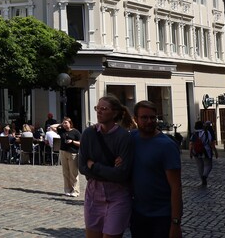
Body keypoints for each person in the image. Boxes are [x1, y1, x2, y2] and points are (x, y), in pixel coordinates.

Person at [79, 95, 134, 238]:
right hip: (93, 196)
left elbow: (121, 174)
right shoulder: (88, 134)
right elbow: (82, 167)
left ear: (114, 113)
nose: (99, 112)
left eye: (104, 109)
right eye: (98, 108)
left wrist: (94, 166)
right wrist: (109, 170)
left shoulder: (123, 137)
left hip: (117, 196)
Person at [130, 100, 183, 238]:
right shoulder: (132, 138)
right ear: (135, 119)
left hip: (162, 217)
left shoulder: (167, 146)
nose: (149, 121)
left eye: (152, 117)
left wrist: (176, 223)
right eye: (144, 117)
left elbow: (176, 186)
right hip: (138, 215)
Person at [53, 117, 81, 196]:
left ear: (70, 123)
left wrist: (72, 142)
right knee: (65, 172)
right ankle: (67, 190)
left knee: (73, 173)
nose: (64, 124)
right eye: (63, 123)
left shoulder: (75, 132)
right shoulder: (62, 131)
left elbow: (81, 143)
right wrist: (60, 124)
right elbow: (52, 127)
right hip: (63, 152)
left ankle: (75, 191)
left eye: (66, 123)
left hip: (72, 153)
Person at [189, 120, 217, 186]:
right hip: (206, 151)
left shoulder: (194, 134)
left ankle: (202, 181)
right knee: (208, 165)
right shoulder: (206, 133)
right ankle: (205, 176)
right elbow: (211, 143)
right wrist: (215, 151)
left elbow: (191, 144)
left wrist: (190, 152)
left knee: (200, 166)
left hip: (196, 151)